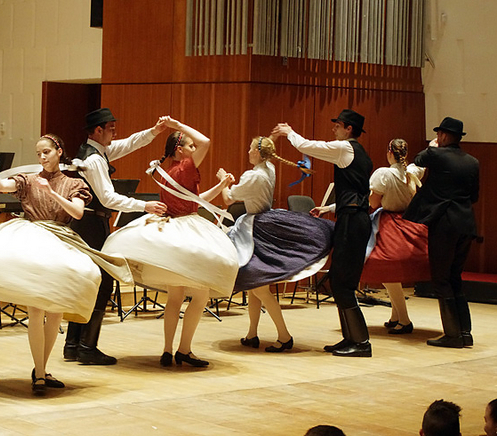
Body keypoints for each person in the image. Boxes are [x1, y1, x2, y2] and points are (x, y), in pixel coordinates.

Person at [0, 134, 131, 395]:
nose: (42, 157)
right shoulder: (28, 180)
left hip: (61, 240)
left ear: (59, 152)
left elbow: (77, 212)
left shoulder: (74, 183)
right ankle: (40, 373)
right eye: (39, 153)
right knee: (36, 309)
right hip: (34, 240)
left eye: (46, 152)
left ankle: (41, 369)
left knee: (55, 312)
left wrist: (51, 192)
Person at [103, 118, 238, 367]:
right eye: (190, 146)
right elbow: (206, 141)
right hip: (187, 231)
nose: (194, 149)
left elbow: (194, 200)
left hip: (173, 229)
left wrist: (221, 185)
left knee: (175, 296)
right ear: (180, 149)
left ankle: (167, 350)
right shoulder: (185, 166)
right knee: (201, 294)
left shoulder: (168, 171)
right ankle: (184, 350)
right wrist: (177, 124)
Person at [64, 108, 168, 365]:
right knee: (102, 283)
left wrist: (154, 131)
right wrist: (144, 205)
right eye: (111, 128)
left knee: (87, 281)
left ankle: (73, 345)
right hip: (91, 225)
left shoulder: (97, 151)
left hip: (88, 223)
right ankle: (87, 347)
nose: (115, 131)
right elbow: (108, 198)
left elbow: (130, 143)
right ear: (98, 130)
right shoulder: (94, 160)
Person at [271, 109, 373, 357]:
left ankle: (361, 342)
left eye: (338, 125)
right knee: (339, 281)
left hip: (352, 222)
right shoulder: (361, 154)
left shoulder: (345, 148)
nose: (334, 129)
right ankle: (350, 338)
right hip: (353, 218)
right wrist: (328, 208)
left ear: (349, 129)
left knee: (343, 282)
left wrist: (289, 132)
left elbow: (308, 146)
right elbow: (359, 194)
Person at [220, 136, 334, 353]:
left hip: (255, 228)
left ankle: (284, 336)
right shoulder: (269, 169)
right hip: (265, 223)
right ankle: (252, 334)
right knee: (254, 284)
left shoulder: (253, 176)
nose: (248, 152)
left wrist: (223, 182)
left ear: (257, 153)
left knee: (259, 288)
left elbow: (228, 199)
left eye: (251, 148)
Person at [403, 117, 479, 348]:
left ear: (443, 135)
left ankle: (453, 335)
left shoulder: (436, 154)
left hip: (445, 225)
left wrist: (432, 147)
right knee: (455, 277)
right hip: (466, 224)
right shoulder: (473, 162)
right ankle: (464, 332)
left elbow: (418, 159)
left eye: (438, 134)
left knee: (441, 278)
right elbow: (474, 196)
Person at [358, 138, 428, 333]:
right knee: (389, 271)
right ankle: (396, 315)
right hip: (409, 223)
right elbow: (421, 166)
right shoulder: (412, 171)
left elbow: (373, 203)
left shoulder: (384, 174)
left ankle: (404, 319)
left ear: (390, 153)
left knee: (385, 269)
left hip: (390, 225)